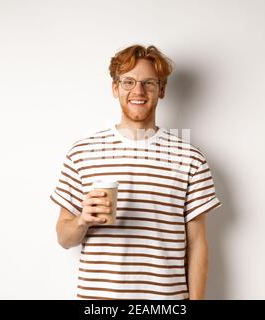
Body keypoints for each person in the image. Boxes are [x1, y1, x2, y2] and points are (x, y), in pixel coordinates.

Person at [50, 44, 222, 300]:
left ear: (161, 90)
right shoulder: (82, 152)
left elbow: (197, 245)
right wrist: (82, 220)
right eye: (128, 81)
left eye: (148, 83)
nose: (138, 91)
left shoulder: (190, 158)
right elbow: (64, 238)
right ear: (115, 88)